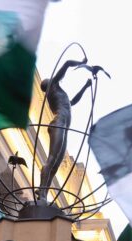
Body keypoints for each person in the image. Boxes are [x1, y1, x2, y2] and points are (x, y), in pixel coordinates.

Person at [38, 58, 92, 199]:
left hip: (63, 127)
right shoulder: (53, 86)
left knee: (55, 164)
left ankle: (44, 193)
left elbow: (72, 101)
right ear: (49, 84)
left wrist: (85, 87)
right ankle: (41, 189)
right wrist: (81, 62)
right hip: (58, 124)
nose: (55, 79)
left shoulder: (59, 95)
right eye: (52, 79)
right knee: (52, 159)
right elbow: (67, 63)